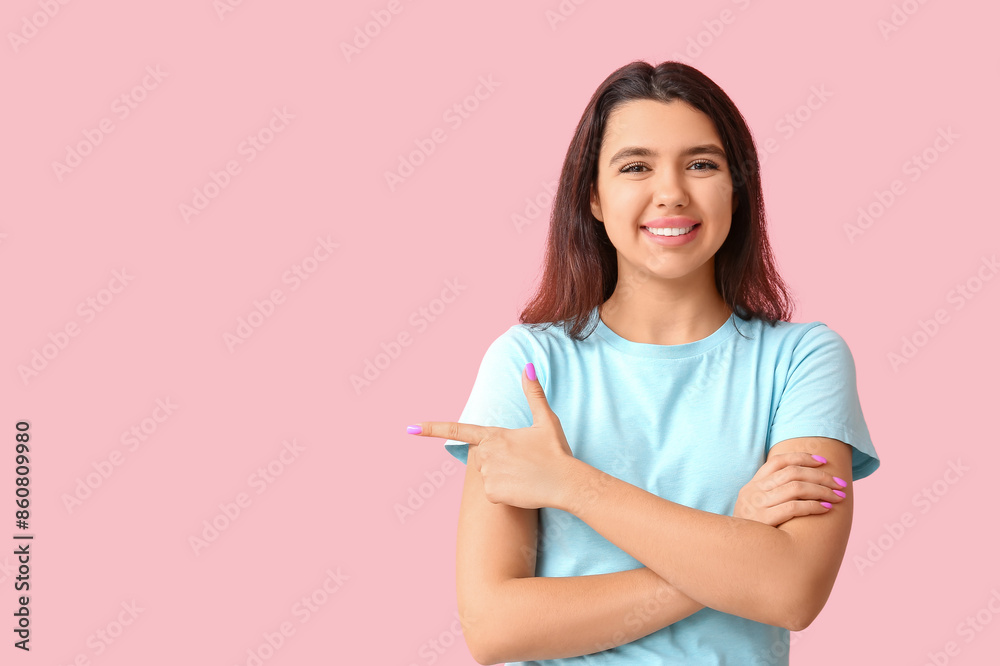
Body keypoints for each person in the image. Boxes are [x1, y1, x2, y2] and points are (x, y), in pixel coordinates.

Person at [406, 60, 879, 665]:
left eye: (702, 164)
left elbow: (790, 591)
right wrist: (736, 541)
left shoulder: (803, 359)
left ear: (737, 187)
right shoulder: (528, 364)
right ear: (595, 198)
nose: (672, 192)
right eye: (635, 166)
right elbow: (496, 629)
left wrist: (570, 484)